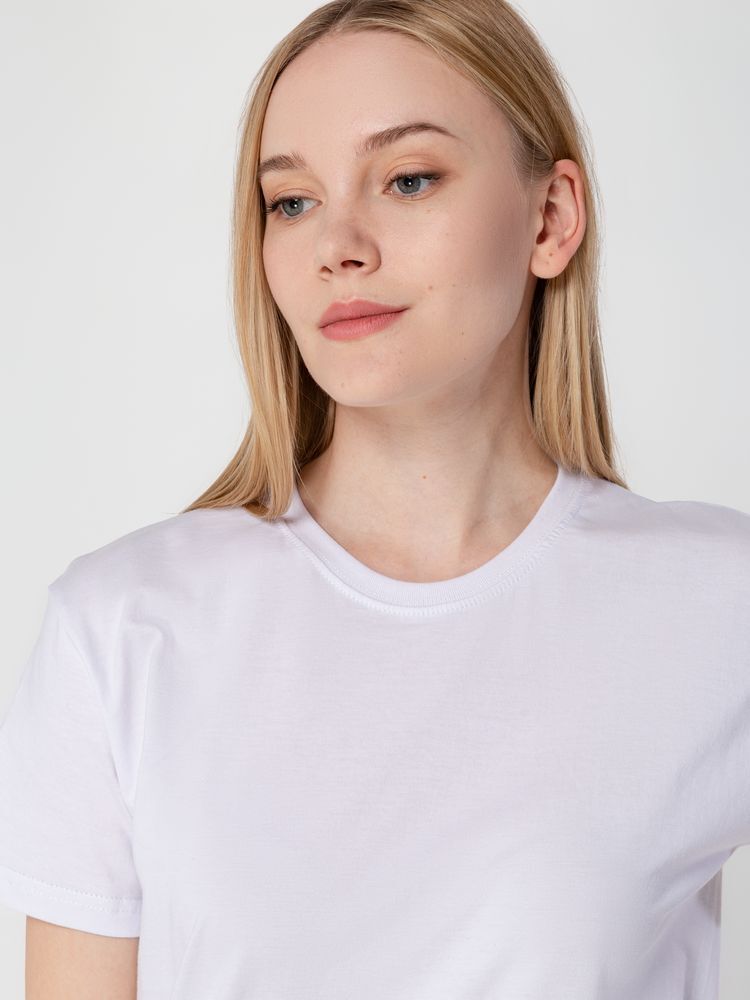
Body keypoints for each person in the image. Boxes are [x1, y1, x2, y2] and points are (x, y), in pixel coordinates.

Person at [1, 1, 748, 998]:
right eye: (292, 201)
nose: (338, 245)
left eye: (408, 179)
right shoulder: (122, 627)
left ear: (551, 219)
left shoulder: (716, 604)